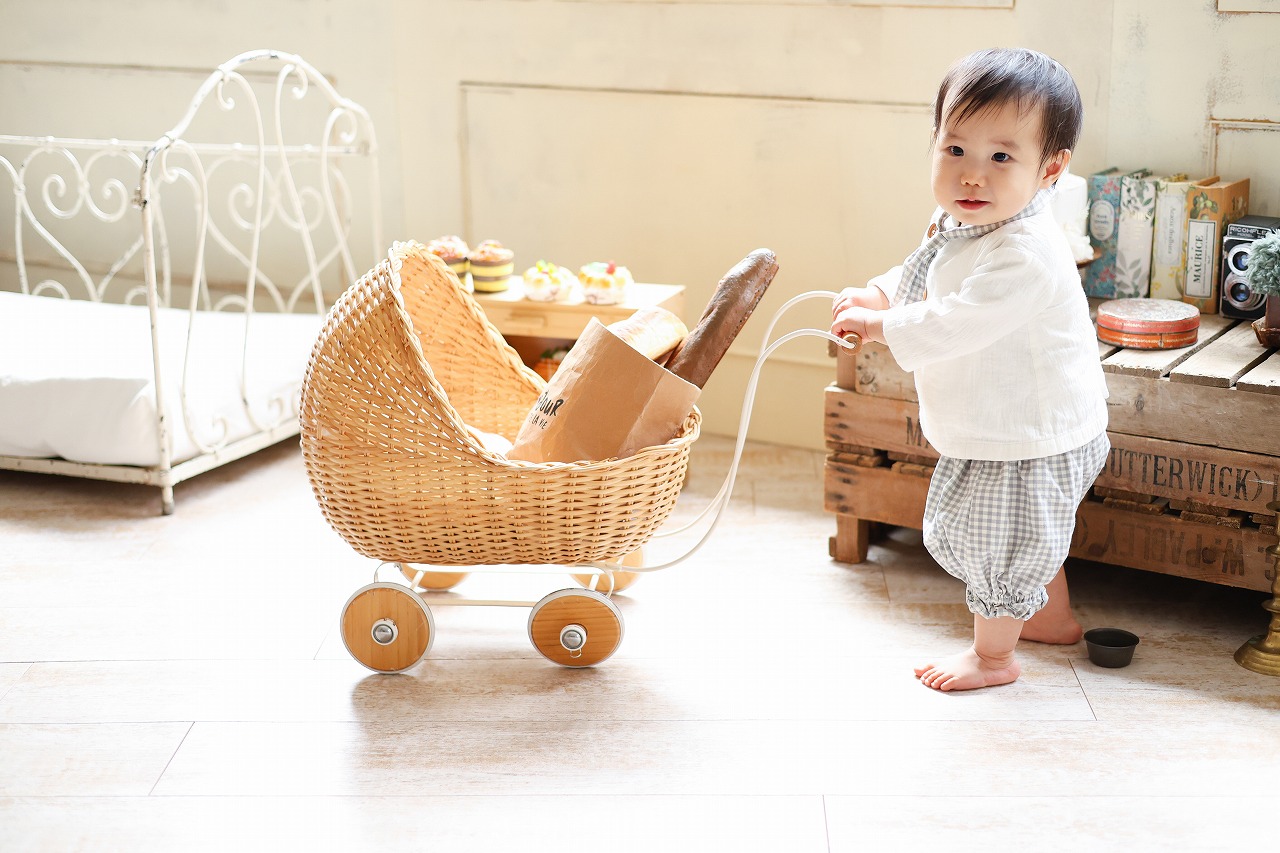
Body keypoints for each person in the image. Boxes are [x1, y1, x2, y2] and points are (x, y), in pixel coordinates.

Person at [830, 47, 1109, 692]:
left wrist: (880, 327)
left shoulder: (1027, 252)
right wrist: (880, 294)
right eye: (955, 149)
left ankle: (993, 658)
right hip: (1012, 422)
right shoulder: (964, 218)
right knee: (1031, 527)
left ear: (1050, 170)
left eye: (1001, 157)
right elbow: (924, 268)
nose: (972, 176)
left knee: (1003, 542)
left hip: (1032, 431)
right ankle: (1051, 619)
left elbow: (960, 318)